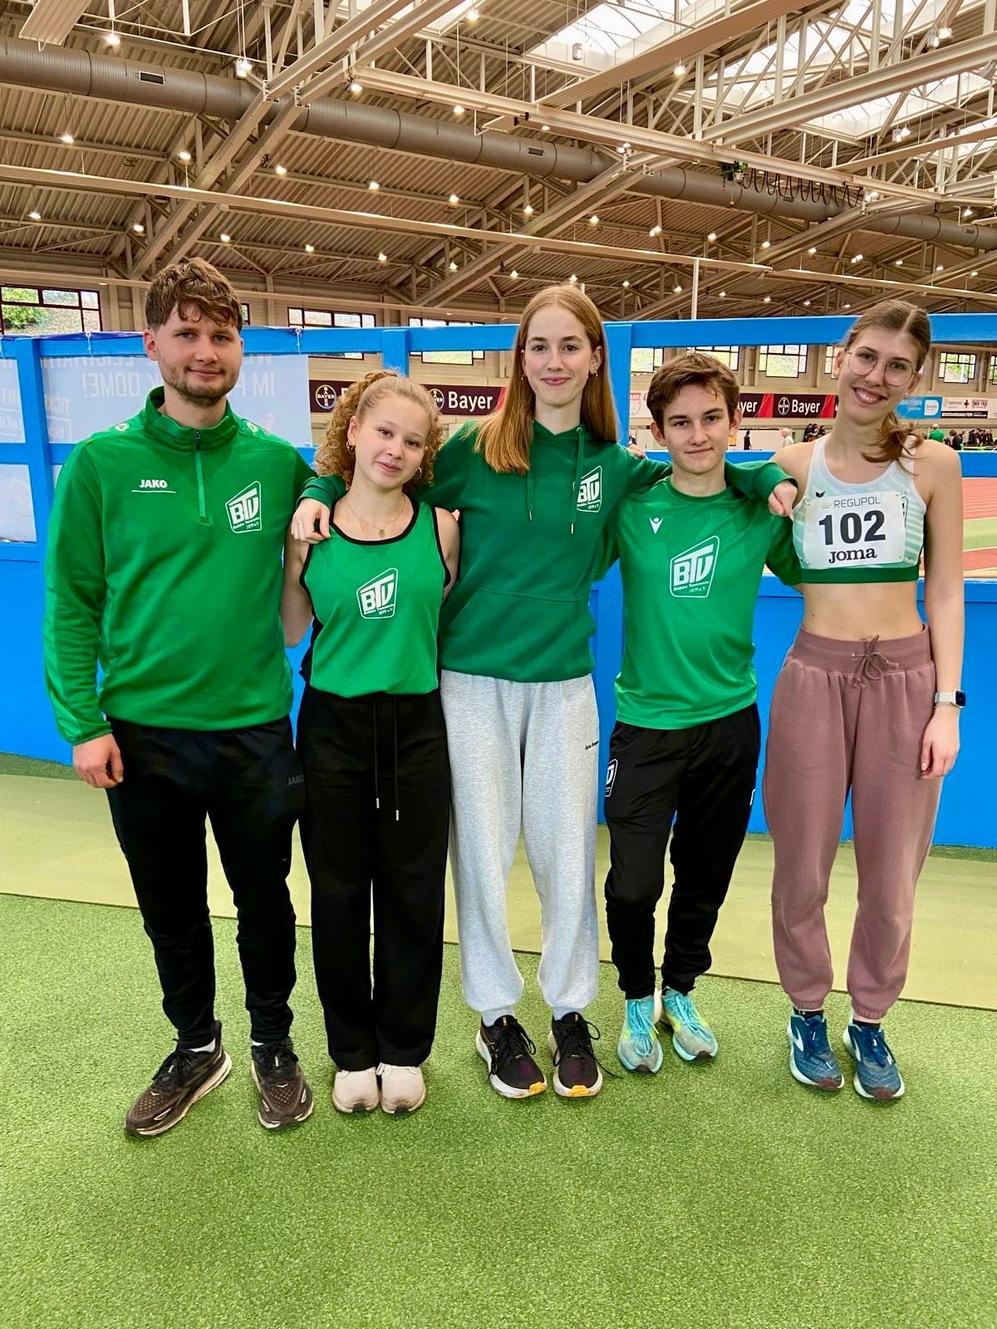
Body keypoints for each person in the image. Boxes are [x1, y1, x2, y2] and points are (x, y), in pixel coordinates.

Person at [291, 285, 796, 1102]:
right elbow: (373, 484)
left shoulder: (615, 466)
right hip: (468, 682)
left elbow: (706, 472)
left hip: (563, 685)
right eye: (538, 346)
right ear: (519, 359)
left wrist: (766, 468)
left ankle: (569, 1010)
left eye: (570, 346)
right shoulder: (467, 451)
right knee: (482, 857)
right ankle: (495, 1016)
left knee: (565, 856)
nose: (553, 362)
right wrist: (316, 494)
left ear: (595, 358)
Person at [43, 258, 315, 1135]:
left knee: (265, 898)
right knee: (171, 904)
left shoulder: (279, 467)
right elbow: (71, 601)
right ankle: (197, 1045)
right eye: (188, 333)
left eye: (221, 335)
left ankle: (273, 1041)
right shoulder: (100, 464)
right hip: (144, 734)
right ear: (150, 341)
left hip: (254, 730)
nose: (206, 351)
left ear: (241, 349)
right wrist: (84, 723)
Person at [765, 299, 964, 1101]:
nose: (876, 377)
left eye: (896, 367)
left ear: (912, 381)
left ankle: (870, 1018)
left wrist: (946, 703)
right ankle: (807, 1009)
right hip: (812, 677)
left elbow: (944, 591)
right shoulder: (787, 464)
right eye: (867, 357)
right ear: (840, 356)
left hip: (907, 682)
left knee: (890, 875)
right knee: (801, 866)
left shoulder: (933, 465)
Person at [600, 354, 800, 1074]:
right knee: (632, 882)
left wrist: (764, 474)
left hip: (728, 723)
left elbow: (818, 570)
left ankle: (679, 989)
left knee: (704, 872)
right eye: (679, 421)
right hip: (647, 724)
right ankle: (632, 993)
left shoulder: (759, 508)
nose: (697, 434)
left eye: (710, 417)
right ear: (657, 430)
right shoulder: (632, 505)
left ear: (733, 420)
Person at [281, 371, 458, 1116]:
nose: (395, 448)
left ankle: (402, 1049)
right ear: (351, 430)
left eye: (412, 441)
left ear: (424, 456)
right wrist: (310, 503)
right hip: (332, 729)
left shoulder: (443, 526)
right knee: (339, 892)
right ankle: (351, 1051)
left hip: (416, 726)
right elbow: (292, 628)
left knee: (415, 894)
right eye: (383, 431)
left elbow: (442, 616)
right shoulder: (308, 531)